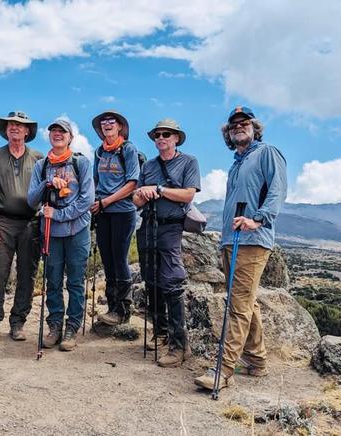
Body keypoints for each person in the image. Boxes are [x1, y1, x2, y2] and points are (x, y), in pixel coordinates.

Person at [194, 106, 287, 391]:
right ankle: (257, 360)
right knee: (247, 302)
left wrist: (257, 219)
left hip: (251, 240)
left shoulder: (267, 152)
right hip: (231, 240)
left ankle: (223, 369)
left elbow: (277, 190)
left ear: (254, 127)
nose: (238, 127)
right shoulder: (237, 162)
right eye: (233, 125)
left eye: (244, 122)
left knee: (238, 305)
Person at [133, 119, 200, 367]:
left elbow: (188, 194)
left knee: (171, 281)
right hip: (148, 224)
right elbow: (135, 200)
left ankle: (179, 345)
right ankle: (160, 332)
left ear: (176, 138)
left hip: (171, 225)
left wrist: (158, 189)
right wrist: (142, 193)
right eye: (158, 135)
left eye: (166, 134)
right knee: (150, 281)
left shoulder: (189, 162)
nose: (161, 138)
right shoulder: (149, 166)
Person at [27, 119, 94, 351]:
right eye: (54, 131)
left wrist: (59, 214)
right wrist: (46, 184)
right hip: (50, 234)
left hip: (77, 231)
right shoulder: (41, 166)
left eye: (62, 131)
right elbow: (31, 199)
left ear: (70, 137)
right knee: (53, 280)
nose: (57, 134)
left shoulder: (81, 163)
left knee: (75, 281)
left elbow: (87, 199)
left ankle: (71, 327)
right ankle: (55, 324)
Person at [0, 111, 44, 341]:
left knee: (27, 275)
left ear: (28, 131)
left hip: (31, 222)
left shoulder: (39, 157)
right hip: (3, 222)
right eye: (11, 125)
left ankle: (18, 323)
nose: (15, 128)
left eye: (20, 125)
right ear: (6, 130)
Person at [89, 110, 140, 326]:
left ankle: (123, 309)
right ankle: (112, 308)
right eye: (103, 122)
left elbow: (132, 183)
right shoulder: (99, 152)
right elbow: (95, 180)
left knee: (119, 258)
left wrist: (107, 201)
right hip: (103, 212)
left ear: (120, 126)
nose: (107, 125)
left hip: (122, 211)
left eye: (111, 122)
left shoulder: (128, 149)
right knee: (108, 259)